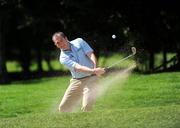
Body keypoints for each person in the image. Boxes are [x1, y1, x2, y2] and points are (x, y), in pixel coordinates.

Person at [52, 32, 105, 112]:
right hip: (77, 80)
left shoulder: (79, 41)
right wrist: (93, 70)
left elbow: (90, 54)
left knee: (86, 107)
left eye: (61, 40)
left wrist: (95, 68)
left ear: (66, 38)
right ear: (56, 45)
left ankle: (87, 123)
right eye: (57, 43)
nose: (61, 44)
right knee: (63, 108)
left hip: (91, 78)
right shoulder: (63, 58)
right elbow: (78, 67)